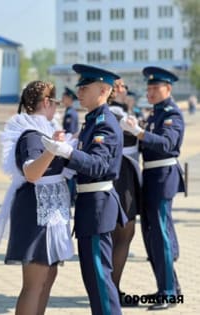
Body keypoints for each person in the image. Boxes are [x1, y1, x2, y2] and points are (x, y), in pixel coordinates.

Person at [42, 64, 127, 315]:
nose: (79, 91)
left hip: (98, 204)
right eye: (79, 86)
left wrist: (68, 152)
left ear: (103, 90)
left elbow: (99, 164)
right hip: (91, 203)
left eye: (85, 87)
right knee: (93, 276)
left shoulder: (105, 123)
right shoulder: (93, 120)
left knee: (99, 276)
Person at [0, 80, 74, 315]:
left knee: (48, 275)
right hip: (35, 211)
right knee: (35, 282)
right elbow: (32, 172)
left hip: (49, 210)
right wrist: (53, 149)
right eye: (55, 102)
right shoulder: (31, 135)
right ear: (46, 102)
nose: (57, 108)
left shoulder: (44, 130)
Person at [120, 66, 185, 310]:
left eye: (155, 88)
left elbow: (167, 143)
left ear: (168, 89)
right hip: (151, 175)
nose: (150, 92)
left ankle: (168, 292)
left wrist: (139, 133)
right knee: (152, 236)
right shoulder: (155, 113)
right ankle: (168, 287)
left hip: (163, 176)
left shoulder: (172, 115)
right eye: (148, 88)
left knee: (160, 234)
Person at [108, 78, 142, 307]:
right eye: (119, 86)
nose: (124, 89)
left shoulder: (117, 112)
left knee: (120, 235)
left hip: (122, 176)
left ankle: (111, 288)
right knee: (123, 233)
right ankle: (113, 290)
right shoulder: (115, 114)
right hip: (122, 177)